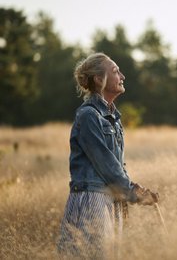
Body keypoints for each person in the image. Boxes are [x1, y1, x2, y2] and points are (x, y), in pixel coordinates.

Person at [57, 52, 158, 259]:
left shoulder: (114, 118)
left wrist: (132, 189)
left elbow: (117, 165)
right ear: (98, 79)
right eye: (115, 72)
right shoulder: (88, 116)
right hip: (91, 199)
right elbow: (106, 165)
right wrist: (131, 192)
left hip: (110, 200)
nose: (122, 76)